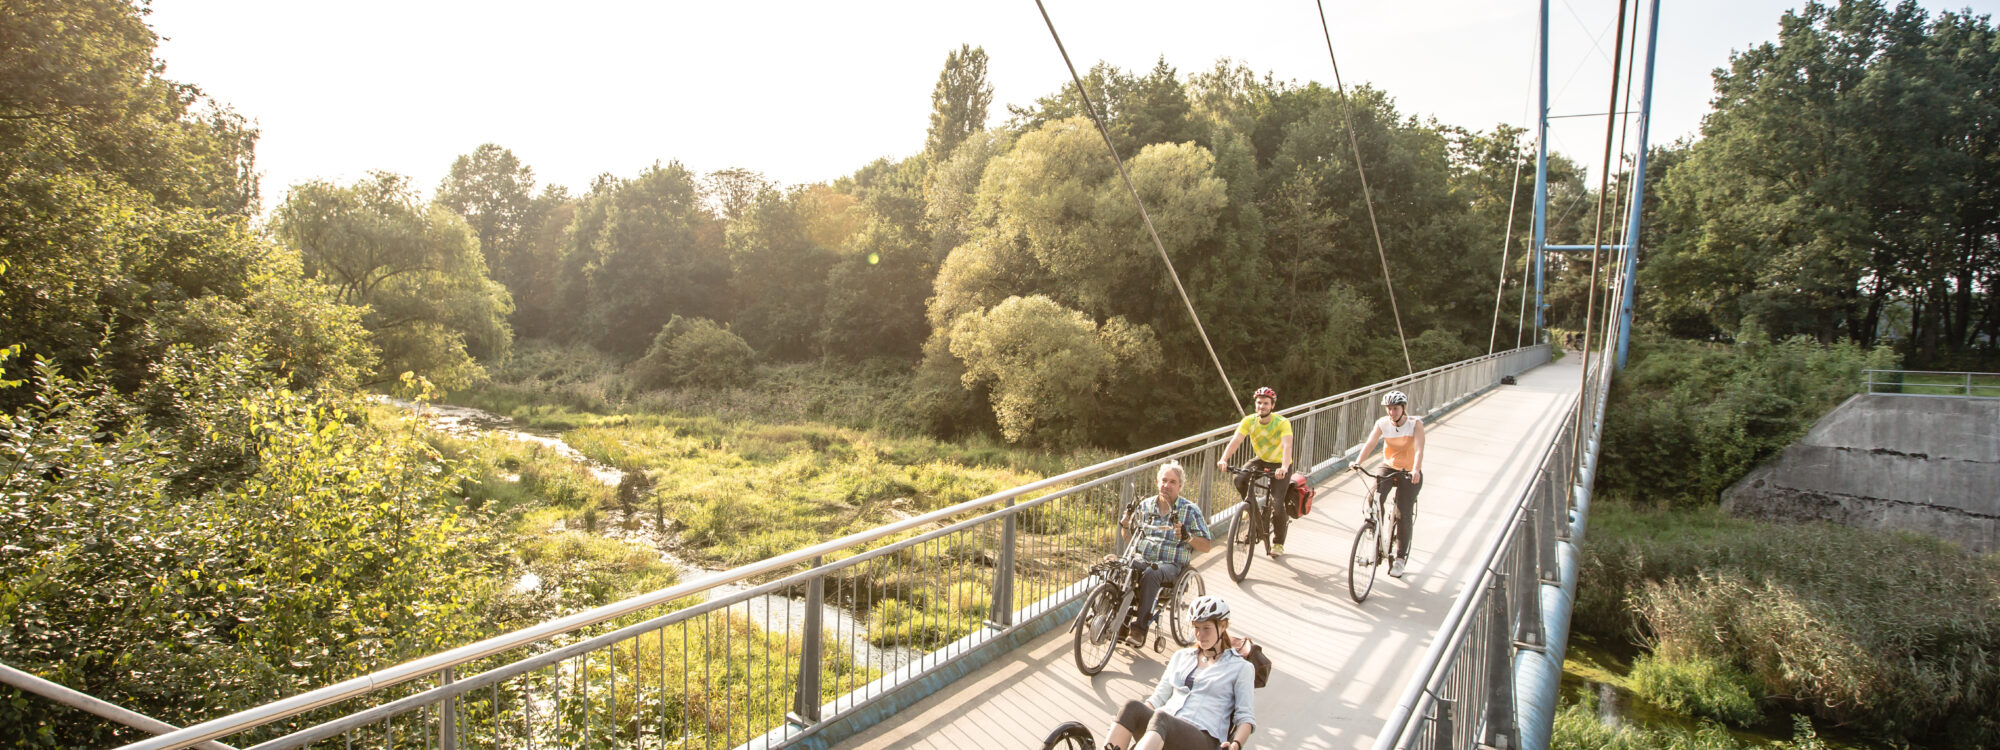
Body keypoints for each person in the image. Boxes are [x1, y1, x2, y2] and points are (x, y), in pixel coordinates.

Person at [1102, 596, 1257, 750]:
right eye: (1196, 627)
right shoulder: (1181, 657)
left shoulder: (1240, 668)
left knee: (1161, 718)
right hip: (1162, 729)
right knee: (1132, 707)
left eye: (1206, 628)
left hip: (1203, 738)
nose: (1199, 634)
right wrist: (1129, 719)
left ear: (1222, 626)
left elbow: (1245, 718)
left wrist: (1236, 745)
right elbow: (1158, 699)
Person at [1117, 460, 1212, 645]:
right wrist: (1126, 526)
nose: (1166, 485)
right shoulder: (1145, 505)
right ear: (1157, 482)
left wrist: (1187, 537)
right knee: (1119, 565)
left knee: (1152, 573)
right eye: (1164, 480)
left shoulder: (1190, 510)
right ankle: (1117, 621)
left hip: (1170, 566)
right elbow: (1130, 539)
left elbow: (1207, 546)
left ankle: (1139, 629)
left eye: (1172, 482)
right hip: (1143, 557)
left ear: (1180, 486)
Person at [1352, 390, 1426, 578]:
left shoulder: (1415, 424)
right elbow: (1370, 443)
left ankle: (1400, 559)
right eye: (1389, 409)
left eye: (1395, 408)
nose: (1392, 412)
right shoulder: (1382, 424)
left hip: (1409, 472)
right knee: (1373, 499)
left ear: (1403, 409)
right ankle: (1375, 531)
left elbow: (1419, 449)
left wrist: (1416, 469)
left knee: (1403, 514)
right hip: (1389, 466)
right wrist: (1358, 461)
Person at [1215, 386, 1293, 557]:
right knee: (1239, 478)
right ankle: (1250, 509)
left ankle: (1278, 542)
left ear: (1272, 406)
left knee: (1276, 504)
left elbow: (1287, 446)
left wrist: (1284, 468)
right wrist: (1224, 459)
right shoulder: (1249, 421)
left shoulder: (1282, 423)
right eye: (1259, 403)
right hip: (1261, 460)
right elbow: (1236, 440)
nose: (1261, 406)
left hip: (1280, 464)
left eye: (1266, 403)